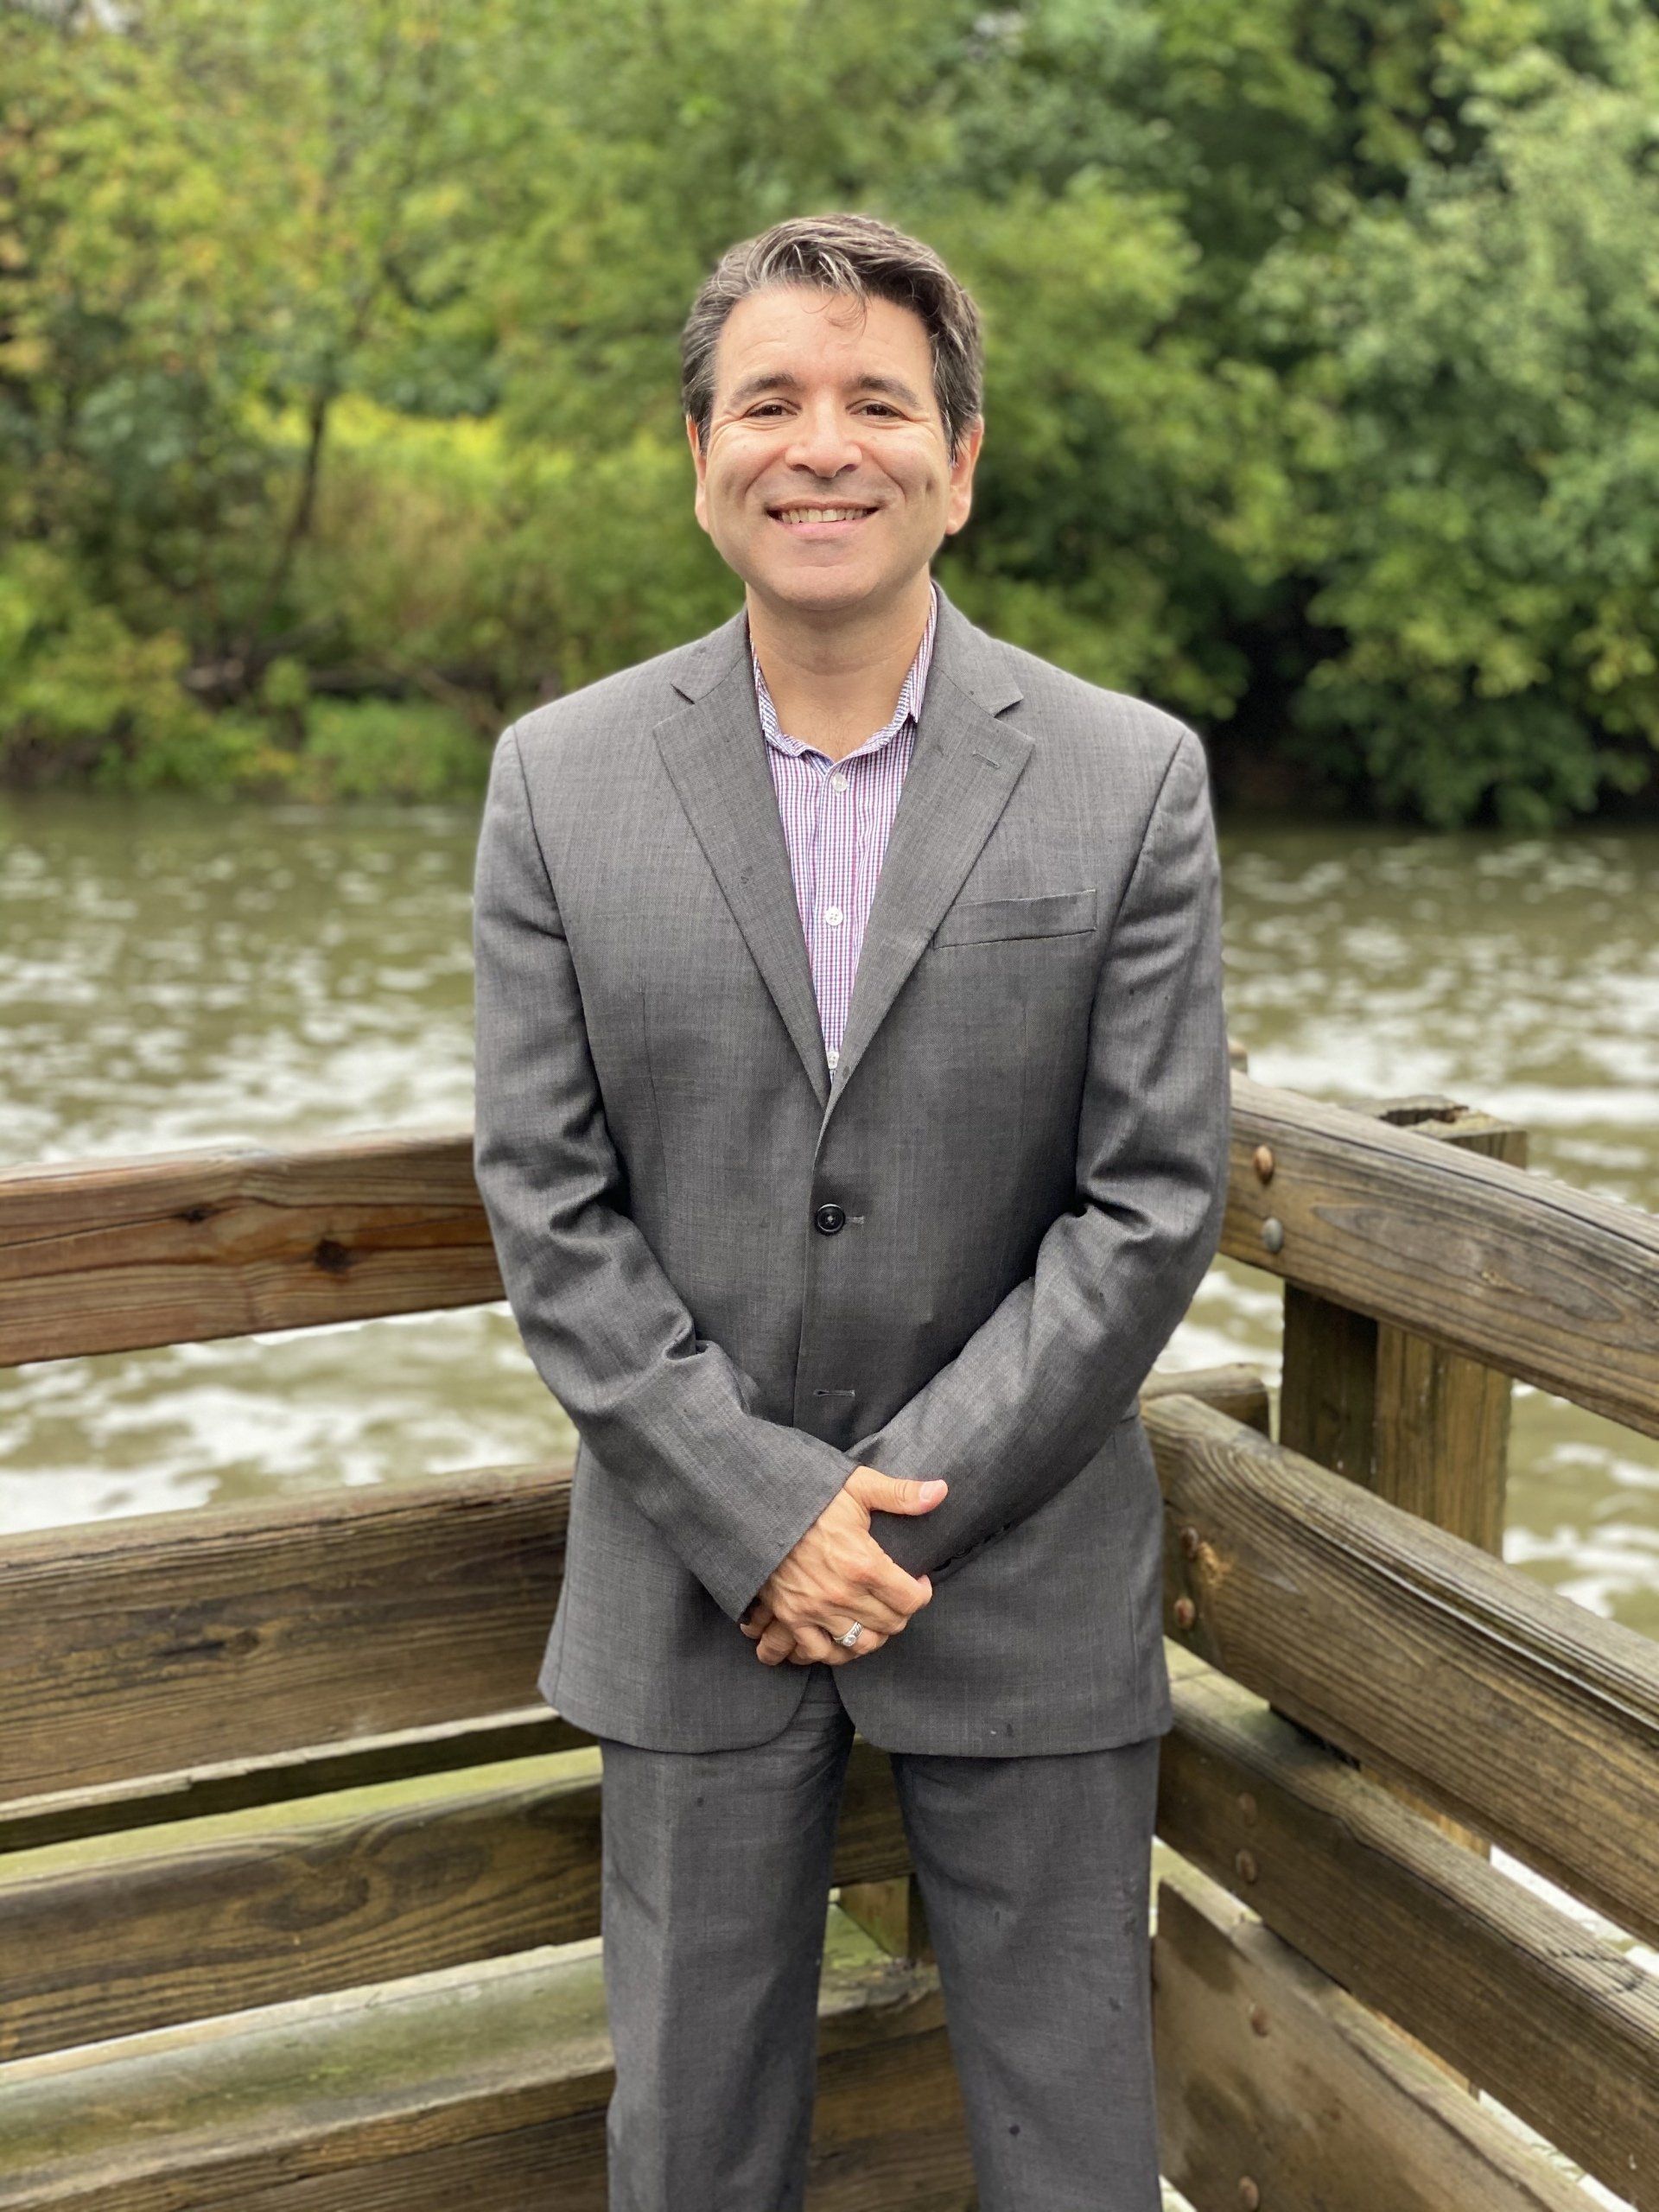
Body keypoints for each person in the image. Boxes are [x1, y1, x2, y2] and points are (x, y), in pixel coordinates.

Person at [471, 210, 1230, 2212]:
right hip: (689, 1587)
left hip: (1029, 1570)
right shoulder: (556, 781)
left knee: (1075, 2155)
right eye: (771, 401)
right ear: (700, 452)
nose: (825, 444)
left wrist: (884, 1516)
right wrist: (759, 1512)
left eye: (879, 402)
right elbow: (546, 1199)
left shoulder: (1127, 775)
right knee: (690, 2153)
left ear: (959, 463)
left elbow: (1148, 1198)